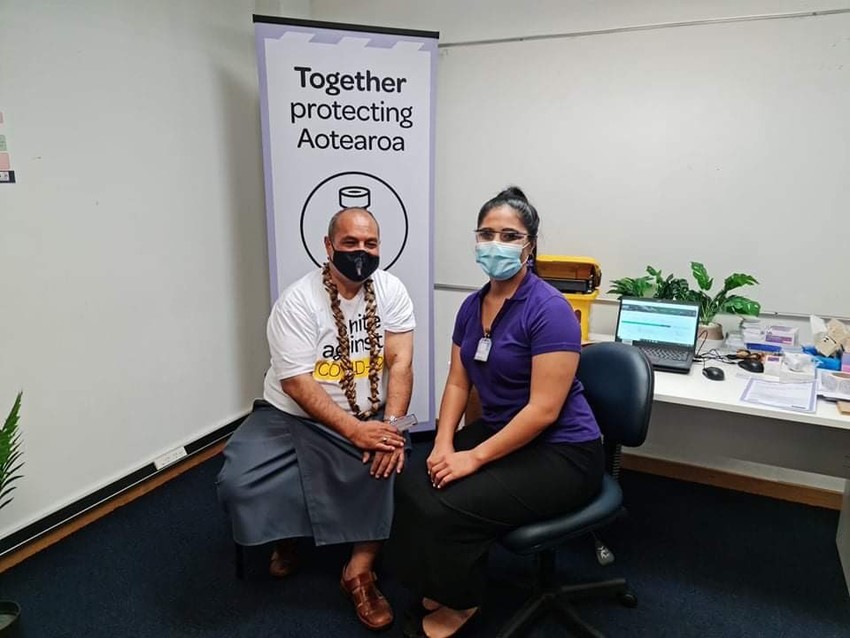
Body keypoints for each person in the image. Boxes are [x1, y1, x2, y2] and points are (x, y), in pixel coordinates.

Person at [386, 187, 604, 638]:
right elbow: (457, 381)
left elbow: (543, 412)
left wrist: (472, 457)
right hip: (503, 434)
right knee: (413, 480)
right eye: (487, 233)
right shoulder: (471, 307)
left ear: (530, 245)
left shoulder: (551, 311)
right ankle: (443, 580)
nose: (495, 243)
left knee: (449, 502)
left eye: (509, 235)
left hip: (565, 453)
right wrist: (445, 443)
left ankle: (464, 601)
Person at [217, 207, 415, 631]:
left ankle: (358, 572)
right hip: (289, 416)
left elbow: (400, 363)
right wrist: (354, 432)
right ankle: (285, 535)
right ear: (328, 247)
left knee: (384, 464)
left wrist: (392, 428)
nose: (360, 252)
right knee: (239, 482)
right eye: (349, 243)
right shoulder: (297, 302)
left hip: (366, 412)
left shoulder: (393, 291)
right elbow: (297, 385)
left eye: (370, 244)